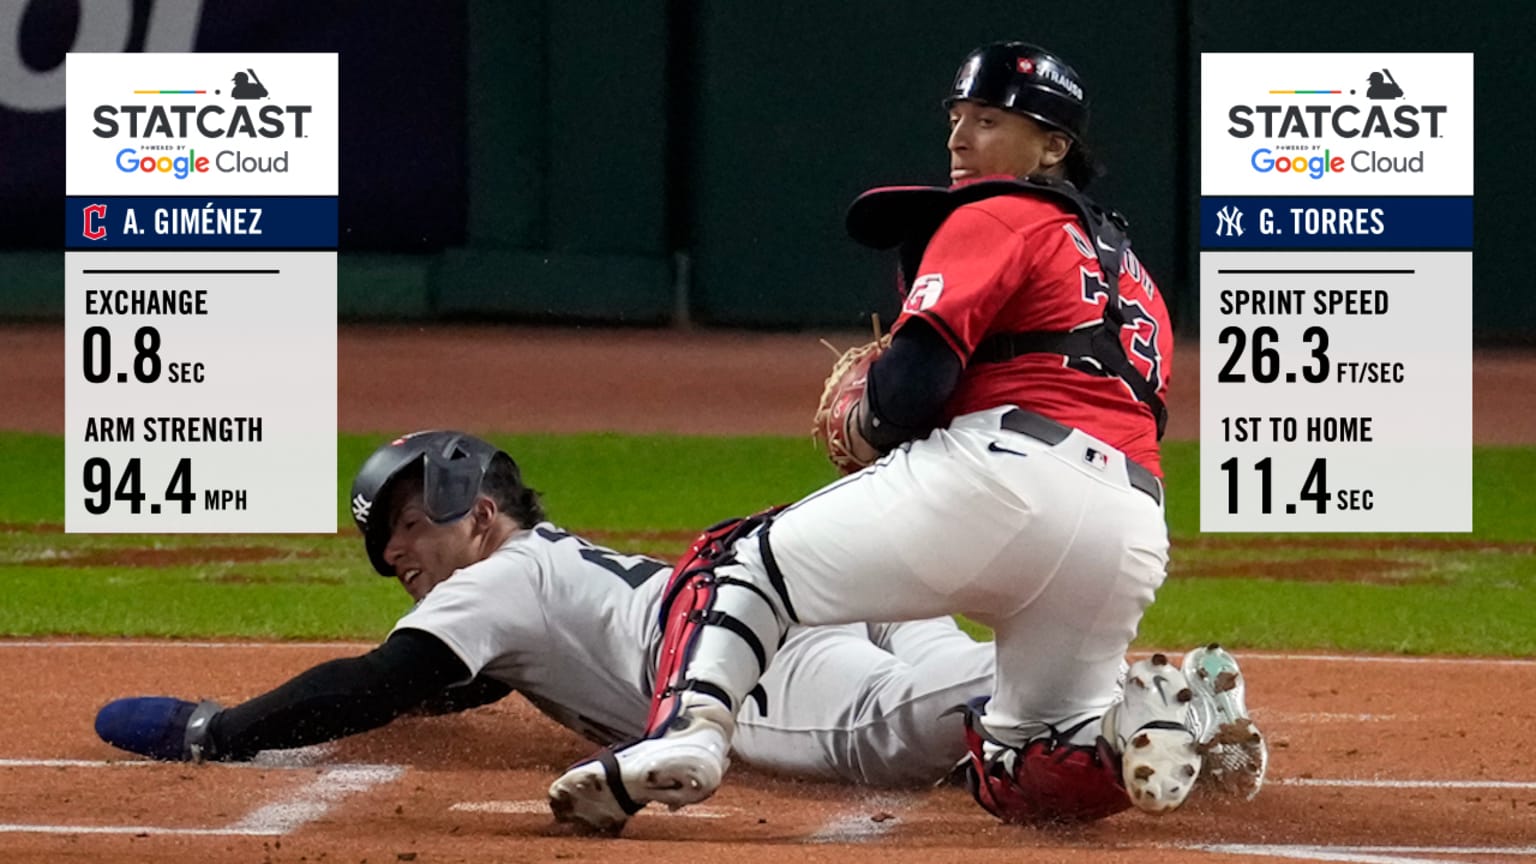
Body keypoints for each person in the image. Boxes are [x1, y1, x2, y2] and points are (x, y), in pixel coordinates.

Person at [547, 41, 1266, 832]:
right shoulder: (1133, 274)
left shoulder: (993, 210)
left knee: (734, 563)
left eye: (988, 120)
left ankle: (689, 734)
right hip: (1128, 525)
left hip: (1002, 479)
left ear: (1052, 147)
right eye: (957, 117)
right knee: (1021, 766)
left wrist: (869, 417)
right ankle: (1144, 723)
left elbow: (912, 389)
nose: (959, 138)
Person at [93, 430, 996, 788]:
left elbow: (378, 681)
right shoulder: (547, 564)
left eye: (409, 526)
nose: (395, 555)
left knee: (941, 718)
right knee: (982, 685)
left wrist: (215, 730)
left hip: (763, 671)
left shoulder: (500, 579)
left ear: (480, 516)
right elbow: (465, 682)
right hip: (812, 612)